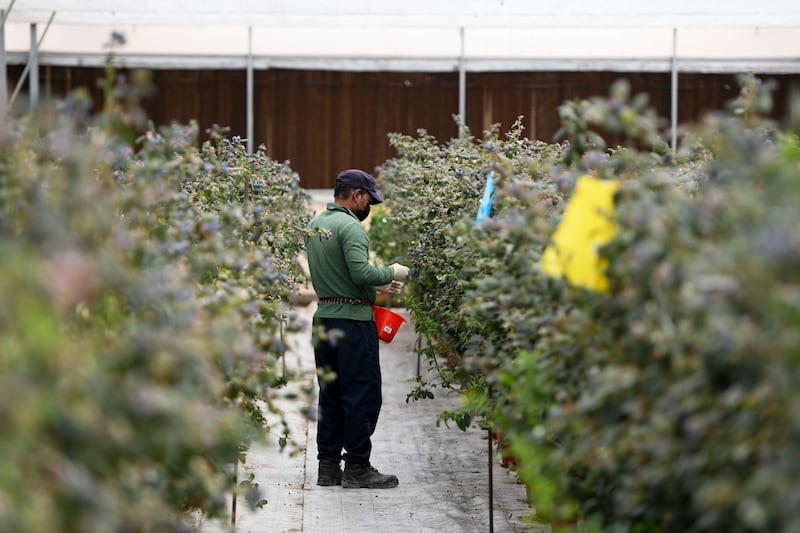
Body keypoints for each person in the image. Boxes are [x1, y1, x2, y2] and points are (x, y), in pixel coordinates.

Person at [305, 168, 410, 489]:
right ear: (356, 196)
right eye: (368, 199)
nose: (369, 207)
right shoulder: (350, 228)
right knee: (360, 394)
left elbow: (340, 272)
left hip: (324, 318)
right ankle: (357, 467)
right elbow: (361, 272)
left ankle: (327, 466)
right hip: (352, 323)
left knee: (331, 393)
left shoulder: (316, 224)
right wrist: (392, 271)